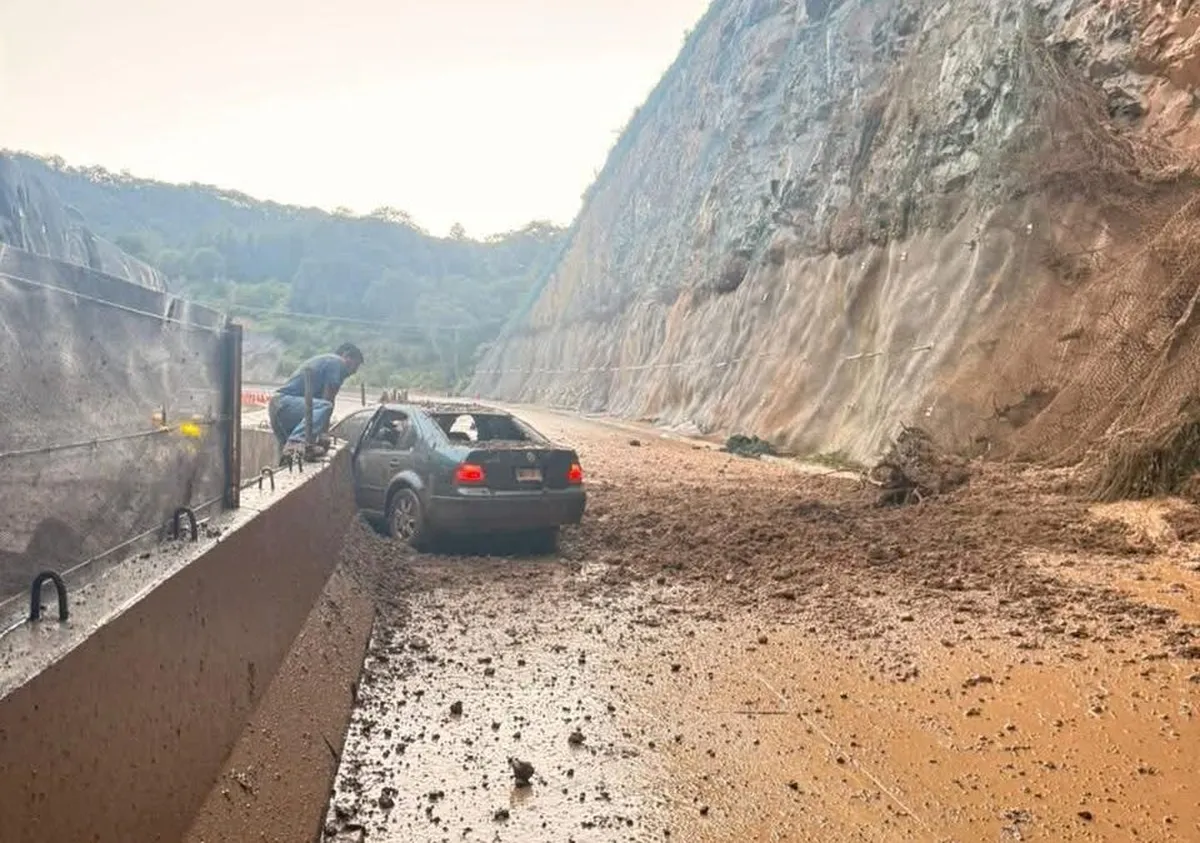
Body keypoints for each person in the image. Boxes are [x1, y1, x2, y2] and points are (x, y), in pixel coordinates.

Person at [269, 343, 364, 462]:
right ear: (346, 356)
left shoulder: (325, 362)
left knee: (290, 460)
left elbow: (315, 408)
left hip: (281, 408)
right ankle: (296, 440)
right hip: (285, 402)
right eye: (355, 365)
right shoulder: (337, 362)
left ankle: (293, 450)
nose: (354, 371)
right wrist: (324, 434)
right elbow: (328, 399)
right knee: (325, 406)